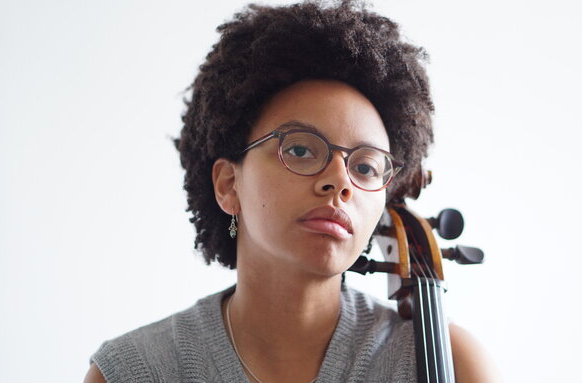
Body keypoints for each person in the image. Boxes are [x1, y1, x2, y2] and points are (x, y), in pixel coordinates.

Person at [84, 1, 500, 382]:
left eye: (365, 167)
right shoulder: (133, 372)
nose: (339, 181)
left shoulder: (455, 362)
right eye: (301, 149)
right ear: (229, 185)